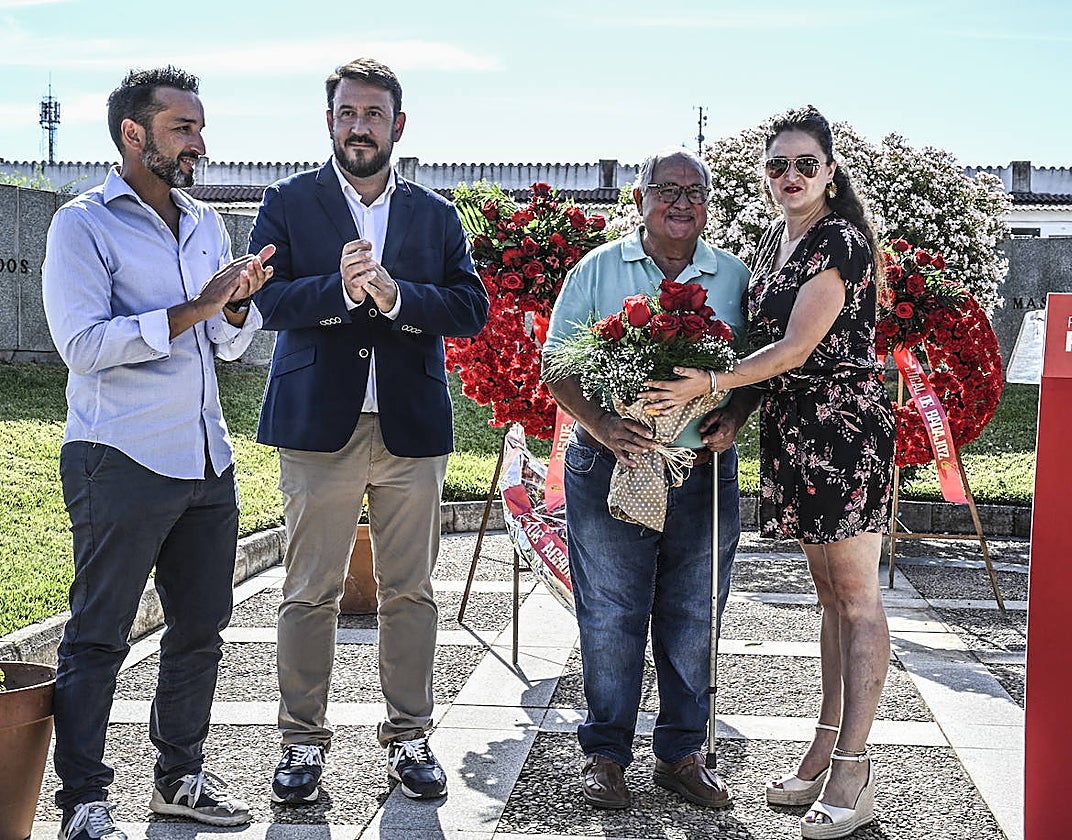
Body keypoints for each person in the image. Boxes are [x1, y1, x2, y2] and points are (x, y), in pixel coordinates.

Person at [642, 107, 895, 839]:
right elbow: (769, 356)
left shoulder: (839, 242)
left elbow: (792, 348)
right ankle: (823, 747)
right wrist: (740, 411)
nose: (790, 177)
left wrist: (704, 386)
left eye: (805, 165)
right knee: (828, 598)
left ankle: (854, 768)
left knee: (856, 599)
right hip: (795, 430)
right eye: (778, 165)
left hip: (842, 431)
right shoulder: (778, 240)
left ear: (831, 171)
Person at [41, 66, 274, 840]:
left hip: (207, 457)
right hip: (120, 457)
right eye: (183, 127)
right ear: (132, 134)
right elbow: (81, 346)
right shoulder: (83, 224)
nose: (199, 143)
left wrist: (233, 306)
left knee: (201, 630)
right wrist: (197, 305)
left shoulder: (206, 224)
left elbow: (224, 346)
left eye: (200, 127)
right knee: (100, 633)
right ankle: (83, 802)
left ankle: (179, 778)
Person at [248, 57, 488, 805]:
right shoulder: (287, 201)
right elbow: (268, 302)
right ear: (330, 121)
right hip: (319, 426)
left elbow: (470, 309)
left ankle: (410, 736)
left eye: (374, 115)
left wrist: (395, 297)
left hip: (411, 430)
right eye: (347, 113)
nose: (360, 126)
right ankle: (300, 745)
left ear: (398, 125)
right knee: (309, 590)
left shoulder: (436, 214)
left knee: (410, 591)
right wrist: (341, 292)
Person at [543, 148, 753, 810]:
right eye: (666, 189)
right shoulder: (598, 270)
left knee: (695, 616)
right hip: (613, 466)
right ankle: (606, 756)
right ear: (640, 200)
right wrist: (603, 423)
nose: (681, 202)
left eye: (695, 191)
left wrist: (737, 415)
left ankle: (681, 755)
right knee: (611, 614)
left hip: (700, 469)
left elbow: (763, 366)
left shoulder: (734, 277)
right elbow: (556, 363)